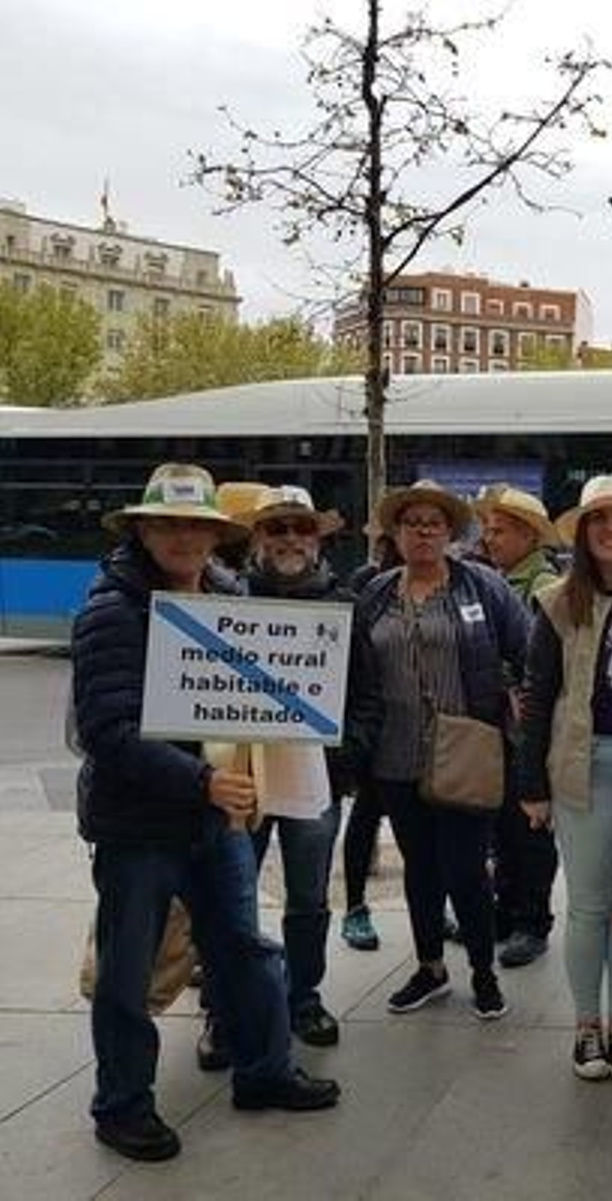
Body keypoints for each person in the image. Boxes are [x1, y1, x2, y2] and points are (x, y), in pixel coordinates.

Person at [73, 464, 339, 1163]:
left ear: (216, 536)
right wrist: (201, 783)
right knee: (129, 971)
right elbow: (108, 728)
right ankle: (122, 1105)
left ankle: (265, 1070)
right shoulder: (111, 608)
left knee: (242, 948)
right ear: (143, 528)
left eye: (198, 525)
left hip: (215, 818)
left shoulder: (228, 594)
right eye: (170, 523)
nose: (185, 537)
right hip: (140, 826)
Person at [346, 479, 531, 1023]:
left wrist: (516, 709)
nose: (423, 532)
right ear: (396, 533)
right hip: (395, 756)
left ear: (450, 532)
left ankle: (482, 972)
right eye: (412, 523)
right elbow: (354, 671)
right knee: (419, 868)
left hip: (466, 751)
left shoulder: (483, 587)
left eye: (434, 523)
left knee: (466, 870)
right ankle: (430, 967)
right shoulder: (375, 592)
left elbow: (527, 652)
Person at [519, 475, 612, 1081]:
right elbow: (538, 696)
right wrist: (531, 783)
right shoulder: (557, 601)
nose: (611, 528)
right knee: (587, 906)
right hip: (584, 769)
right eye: (599, 518)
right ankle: (586, 1026)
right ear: (583, 532)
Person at [238, 485, 351, 1047]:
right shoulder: (223, 603)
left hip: (315, 782)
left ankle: (303, 998)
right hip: (240, 782)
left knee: (308, 900)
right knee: (228, 897)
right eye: (276, 528)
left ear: (318, 539)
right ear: (256, 538)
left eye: (301, 528)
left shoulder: (343, 606)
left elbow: (367, 699)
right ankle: (224, 1008)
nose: (289, 539)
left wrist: (344, 759)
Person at [473, 484, 563, 970]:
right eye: (487, 529)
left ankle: (532, 920)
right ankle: (506, 912)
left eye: (500, 530)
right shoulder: (494, 579)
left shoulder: (543, 587)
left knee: (529, 825)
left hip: (525, 724)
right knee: (502, 825)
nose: (490, 538)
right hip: (496, 725)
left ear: (530, 536)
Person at [340, 527, 401, 952]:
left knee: (423, 824)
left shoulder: (457, 579)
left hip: (423, 730)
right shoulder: (369, 584)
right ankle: (355, 907)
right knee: (367, 813)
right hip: (374, 726)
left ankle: (437, 909)